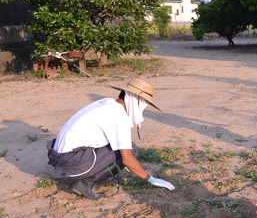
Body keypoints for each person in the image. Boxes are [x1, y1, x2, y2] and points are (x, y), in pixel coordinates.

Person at [47, 78, 175, 200]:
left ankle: (88, 174)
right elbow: (128, 160)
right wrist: (152, 179)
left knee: (128, 147)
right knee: (130, 152)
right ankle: (87, 182)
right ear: (135, 100)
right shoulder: (119, 116)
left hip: (59, 156)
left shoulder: (108, 103)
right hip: (72, 162)